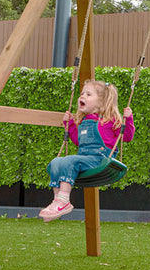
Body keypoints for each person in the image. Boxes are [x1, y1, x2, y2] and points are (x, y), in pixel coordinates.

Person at [41, 79, 134, 221]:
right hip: (84, 159)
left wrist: (129, 120)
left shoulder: (110, 120)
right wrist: (70, 124)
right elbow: (78, 141)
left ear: (101, 102)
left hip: (100, 159)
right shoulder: (83, 121)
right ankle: (57, 201)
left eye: (88, 94)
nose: (82, 96)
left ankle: (64, 201)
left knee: (69, 160)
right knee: (56, 162)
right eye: (82, 93)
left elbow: (126, 137)